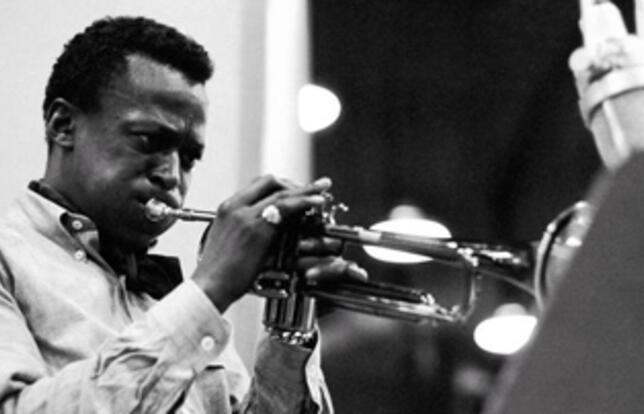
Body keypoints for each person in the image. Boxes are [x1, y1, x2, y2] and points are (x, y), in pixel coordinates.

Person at [0, 15, 367, 413]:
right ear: (63, 125)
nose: (172, 176)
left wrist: (290, 326)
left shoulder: (172, 300)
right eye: (149, 140)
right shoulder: (11, 258)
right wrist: (210, 288)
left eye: (189, 158)